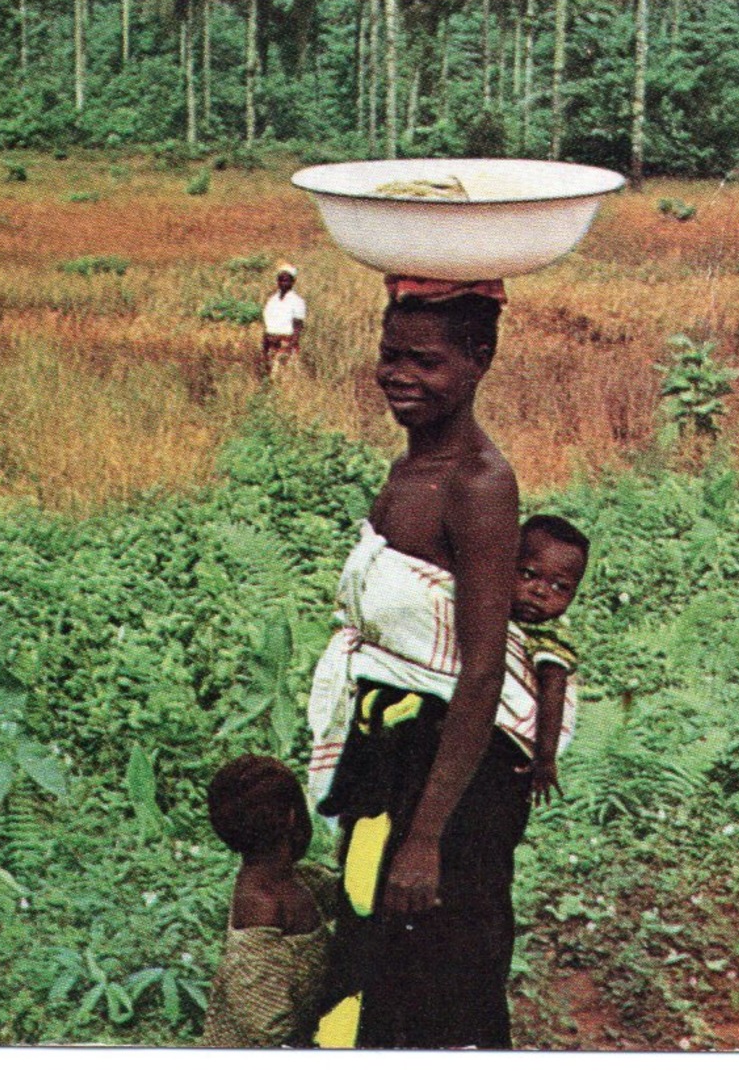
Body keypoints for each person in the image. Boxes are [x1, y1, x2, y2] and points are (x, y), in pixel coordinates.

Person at [305, 276, 535, 1050]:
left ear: (478, 360)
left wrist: (426, 836)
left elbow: (479, 670)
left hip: (450, 777)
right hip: (392, 758)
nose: (398, 375)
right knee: (372, 957)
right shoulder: (408, 471)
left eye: (424, 361)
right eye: (388, 355)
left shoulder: (478, 484)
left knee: (442, 978)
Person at [202, 755, 337, 1049]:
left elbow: (342, 894)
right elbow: (266, 1025)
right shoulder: (260, 906)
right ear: (292, 817)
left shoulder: (297, 880)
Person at [510, 514, 589, 806]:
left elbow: (553, 692)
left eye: (560, 587)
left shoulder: (549, 638)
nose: (540, 592)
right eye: (528, 574)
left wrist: (544, 759)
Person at [260, 262, 306, 377]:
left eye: (286, 280)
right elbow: (267, 323)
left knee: (284, 376)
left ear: (292, 282)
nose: (283, 283)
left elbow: (298, 325)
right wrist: (265, 342)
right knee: (270, 375)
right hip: (271, 341)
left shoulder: (297, 301)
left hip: (286, 343)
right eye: (280, 280)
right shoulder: (272, 300)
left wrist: (290, 347)